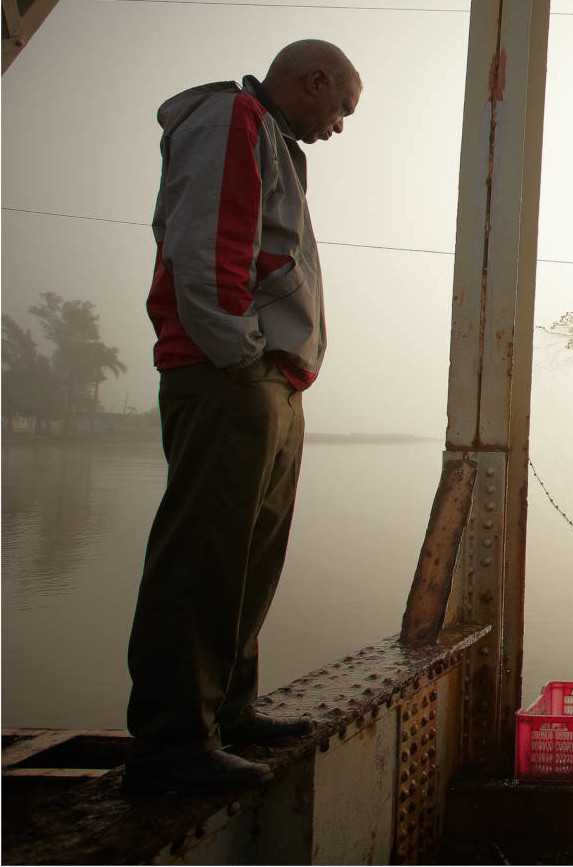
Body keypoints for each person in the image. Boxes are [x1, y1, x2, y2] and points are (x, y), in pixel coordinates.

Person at [124, 40, 362, 795]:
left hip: (270, 382)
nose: (339, 126)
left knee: (249, 553)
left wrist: (276, 368)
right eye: (341, 108)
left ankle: (227, 709)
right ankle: (171, 743)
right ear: (312, 79)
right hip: (230, 376)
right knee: (203, 554)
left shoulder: (273, 140)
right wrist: (243, 352)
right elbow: (209, 249)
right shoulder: (234, 118)